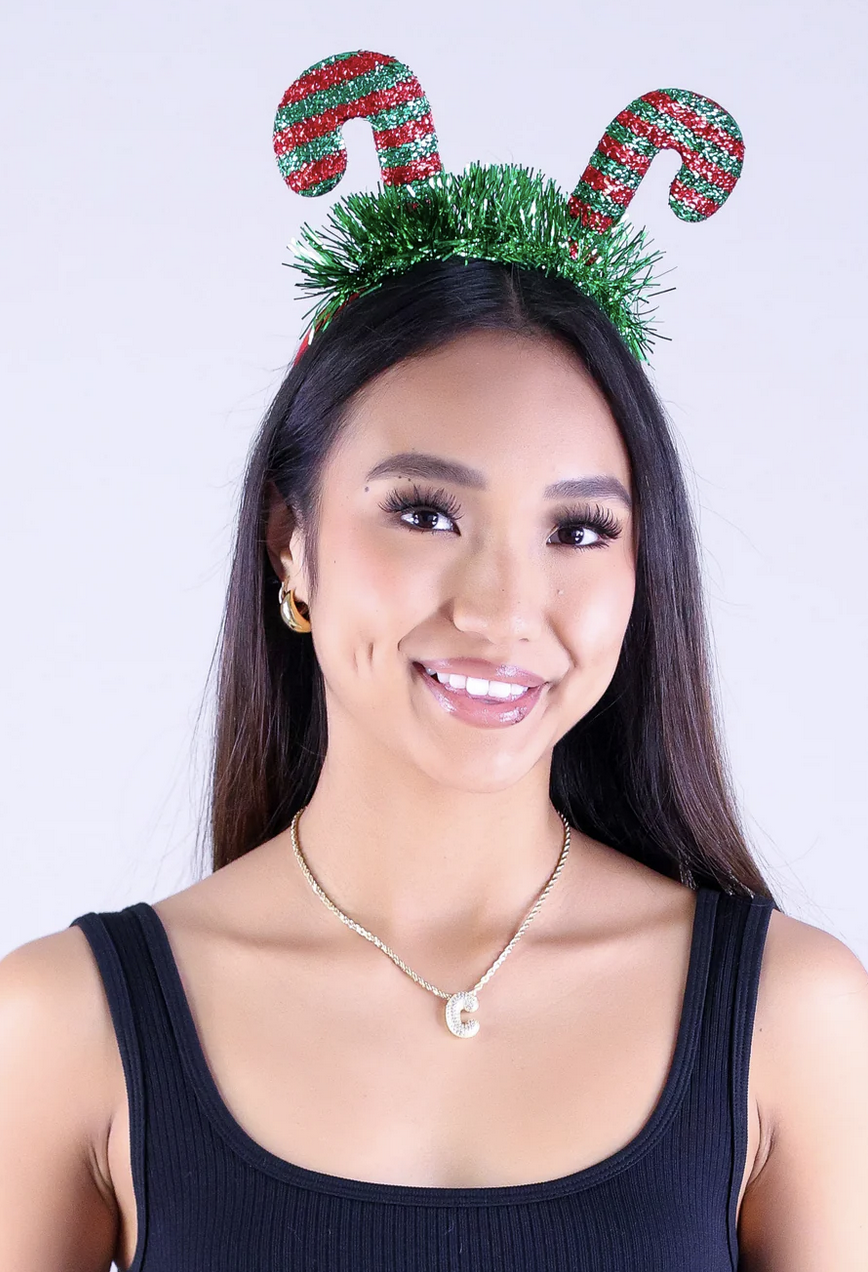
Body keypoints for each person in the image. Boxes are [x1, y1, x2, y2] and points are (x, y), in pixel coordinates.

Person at [2, 54, 867, 1272]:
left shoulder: (793, 1017)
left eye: (579, 530)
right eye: (423, 512)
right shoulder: (64, 1027)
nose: (504, 608)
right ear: (291, 544)